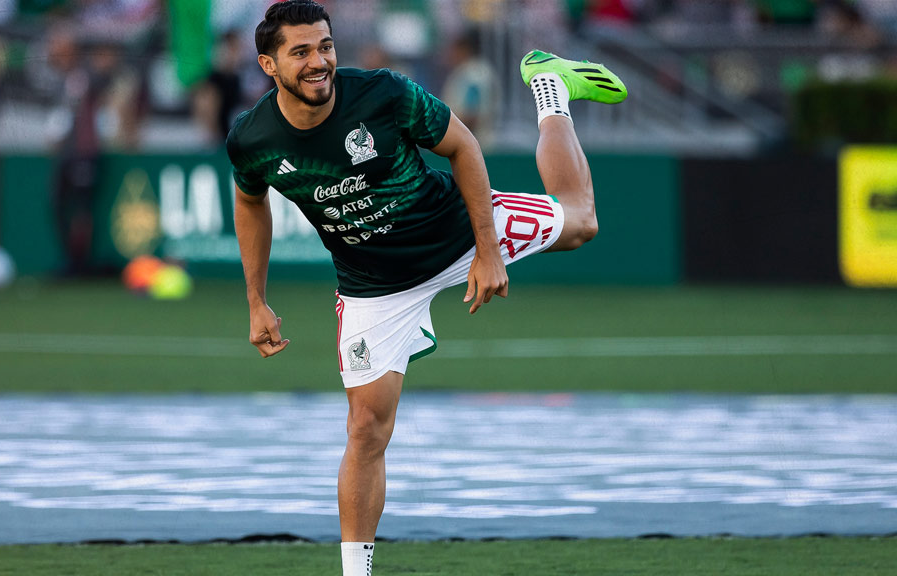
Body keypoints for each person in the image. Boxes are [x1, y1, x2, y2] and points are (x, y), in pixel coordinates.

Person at [225, 2, 627, 574]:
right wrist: (256, 300)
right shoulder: (253, 138)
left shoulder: (384, 94)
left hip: (457, 232)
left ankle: (549, 87)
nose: (320, 62)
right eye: (301, 52)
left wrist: (487, 251)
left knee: (582, 220)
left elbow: (463, 147)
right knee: (366, 427)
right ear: (268, 64)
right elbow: (249, 199)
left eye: (326, 46)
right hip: (373, 287)